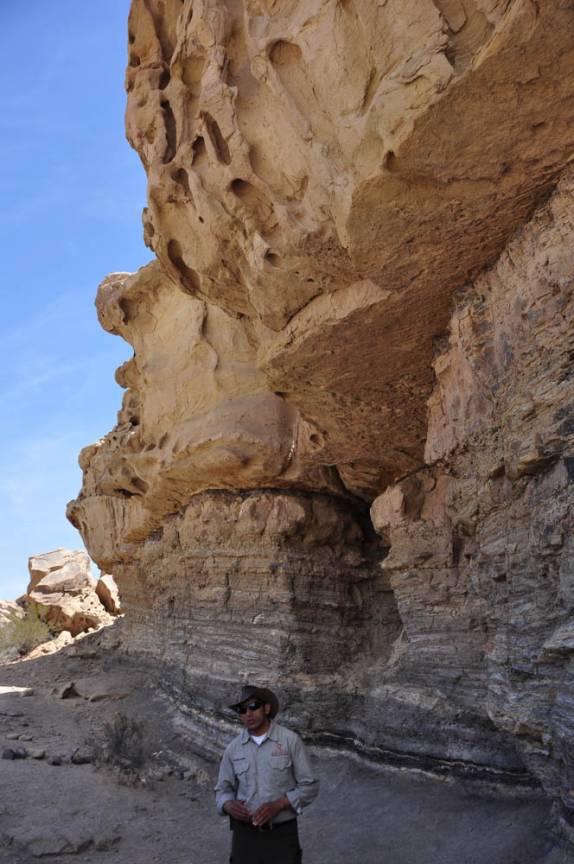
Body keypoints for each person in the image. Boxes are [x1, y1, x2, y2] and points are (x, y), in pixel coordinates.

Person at [215, 684, 319, 863]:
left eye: (253, 706)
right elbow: (222, 790)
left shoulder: (289, 741)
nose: (248, 713)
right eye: (242, 709)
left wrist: (279, 805)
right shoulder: (233, 749)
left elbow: (310, 786)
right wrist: (228, 805)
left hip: (281, 834)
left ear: (267, 708)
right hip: (245, 836)